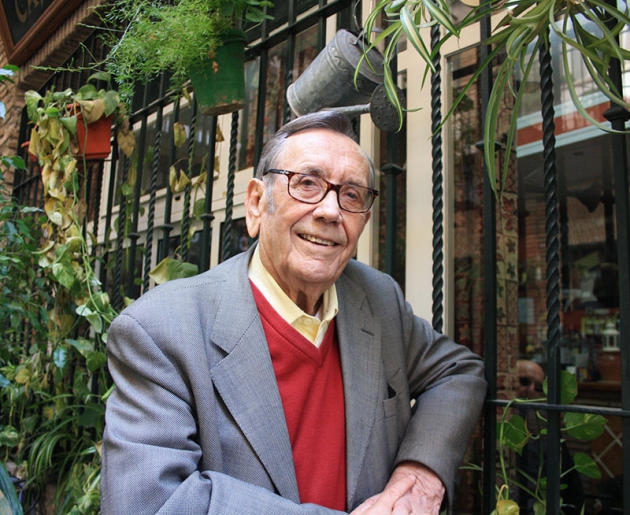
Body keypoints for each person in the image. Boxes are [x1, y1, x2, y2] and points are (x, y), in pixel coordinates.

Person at [101, 111, 487, 514]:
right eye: (306, 184)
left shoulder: (376, 298)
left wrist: (420, 474)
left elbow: (457, 371)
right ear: (255, 204)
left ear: (363, 222)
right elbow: (150, 504)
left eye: (352, 195)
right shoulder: (162, 329)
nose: (330, 211)